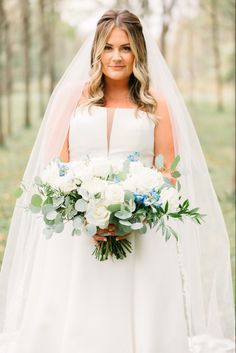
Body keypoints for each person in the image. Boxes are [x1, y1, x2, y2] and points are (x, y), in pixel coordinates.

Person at [0, 9, 234, 353]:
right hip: (77, 230)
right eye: (108, 47)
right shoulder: (72, 99)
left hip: (140, 229)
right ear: (97, 51)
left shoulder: (156, 104)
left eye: (125, 48)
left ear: (138, 51)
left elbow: (169, 170)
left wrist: (134, 213)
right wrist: (84, 213)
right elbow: (54, 166)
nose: (116, 56)